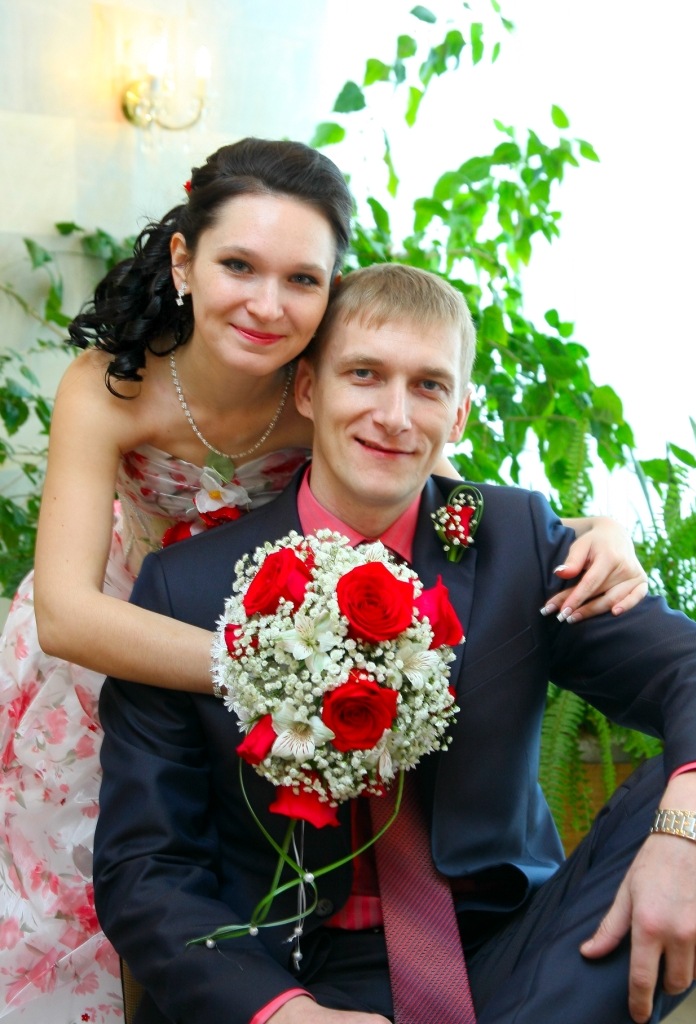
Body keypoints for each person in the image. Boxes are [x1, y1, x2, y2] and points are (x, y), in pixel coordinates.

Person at [0, 137, 645, 1021]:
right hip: (135, 635)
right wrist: (274, 673)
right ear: (184, 261)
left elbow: (447, 501)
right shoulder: (111, 386)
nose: (268, 305)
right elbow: (68, 616)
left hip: (303, 634)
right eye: (238, 265)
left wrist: (595, 530)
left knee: (245, 867)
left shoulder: (330, 392)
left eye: (302, 279)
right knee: (92, 905)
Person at [93, 262, 696, 1024]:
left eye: (428, 386)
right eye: (364, 375)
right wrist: (284, 1014)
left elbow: (690, 668)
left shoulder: (516, 540)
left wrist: (691, 830)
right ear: (309, 390)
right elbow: (145, 869)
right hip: (286, 973)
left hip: (515, 957)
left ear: (460, 415)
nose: (394, 416)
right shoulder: (186, 589)